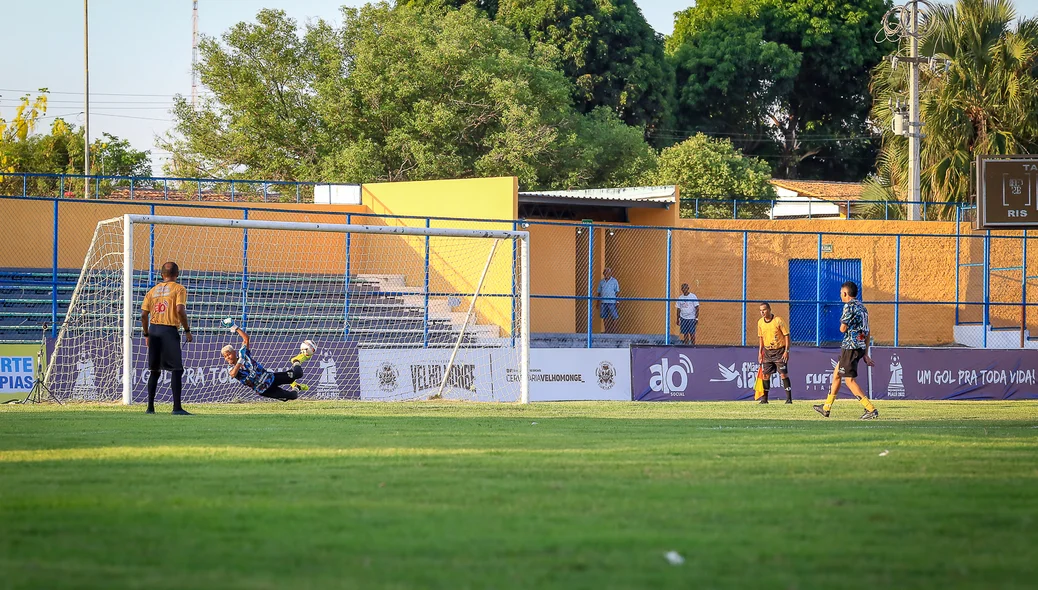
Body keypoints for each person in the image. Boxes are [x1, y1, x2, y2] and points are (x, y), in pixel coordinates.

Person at [814, 281, 879, 419]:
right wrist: (866, 353)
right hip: (860, 346)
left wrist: (845, 326)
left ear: (845, 293)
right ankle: (826, 407)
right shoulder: (863, 308)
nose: (840, 296)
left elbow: (842, 328)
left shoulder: (848, 307)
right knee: (837, 374)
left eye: (841, 293)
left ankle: (870, 409)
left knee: (849, 380)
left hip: (850, 347)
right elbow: (867, 332)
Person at [141, 261, 192, 415]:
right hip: (169, 330)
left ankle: (150, 408)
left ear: (162, 274)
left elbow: (143, 315)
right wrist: (187, 330)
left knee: (154, 370)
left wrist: (146, 334)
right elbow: (180, 310)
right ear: (177, 274)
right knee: (176, 369)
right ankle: (176, 408)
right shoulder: (179, 289)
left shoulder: (152, 291)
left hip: (154, 330)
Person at [221, 319, 314, 401]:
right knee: (292, 396)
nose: (227, 358)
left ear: (234, 352)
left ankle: (296, 360)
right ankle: (297, 387)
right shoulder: (231, 368)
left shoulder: (244, 354)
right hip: (263, 389)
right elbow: (233, 374)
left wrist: (235, 327)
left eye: (228, 354)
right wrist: (239, 362)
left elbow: (246, 339)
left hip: (270, 378)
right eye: (225, 356)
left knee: (298, 374)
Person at [756, 302, 793, 404]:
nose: (762, 312)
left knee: (783, 375)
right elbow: (761, 338)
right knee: (766, 375)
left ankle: (789, 399)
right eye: (760, 310)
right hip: (768, 352)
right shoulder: (760, 323)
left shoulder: (778, 321)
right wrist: (760, 352)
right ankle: (764, 399)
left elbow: (786, 335)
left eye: (764, 310)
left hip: (779, 351)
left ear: (769, 309)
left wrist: (786, 351)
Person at [597, 267, 621, 334]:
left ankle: (614, 331)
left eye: (608, 272)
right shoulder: (601, 282)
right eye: (606, 272)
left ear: (610, 273)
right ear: (604, 273)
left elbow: (617, 292)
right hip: (603, 302)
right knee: (604, 317)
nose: (607, 273)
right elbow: (599, 292)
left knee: (614, 316)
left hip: (612, 302)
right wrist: (598, 302)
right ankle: (606, 330)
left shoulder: (614, 281)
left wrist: (617, 301)